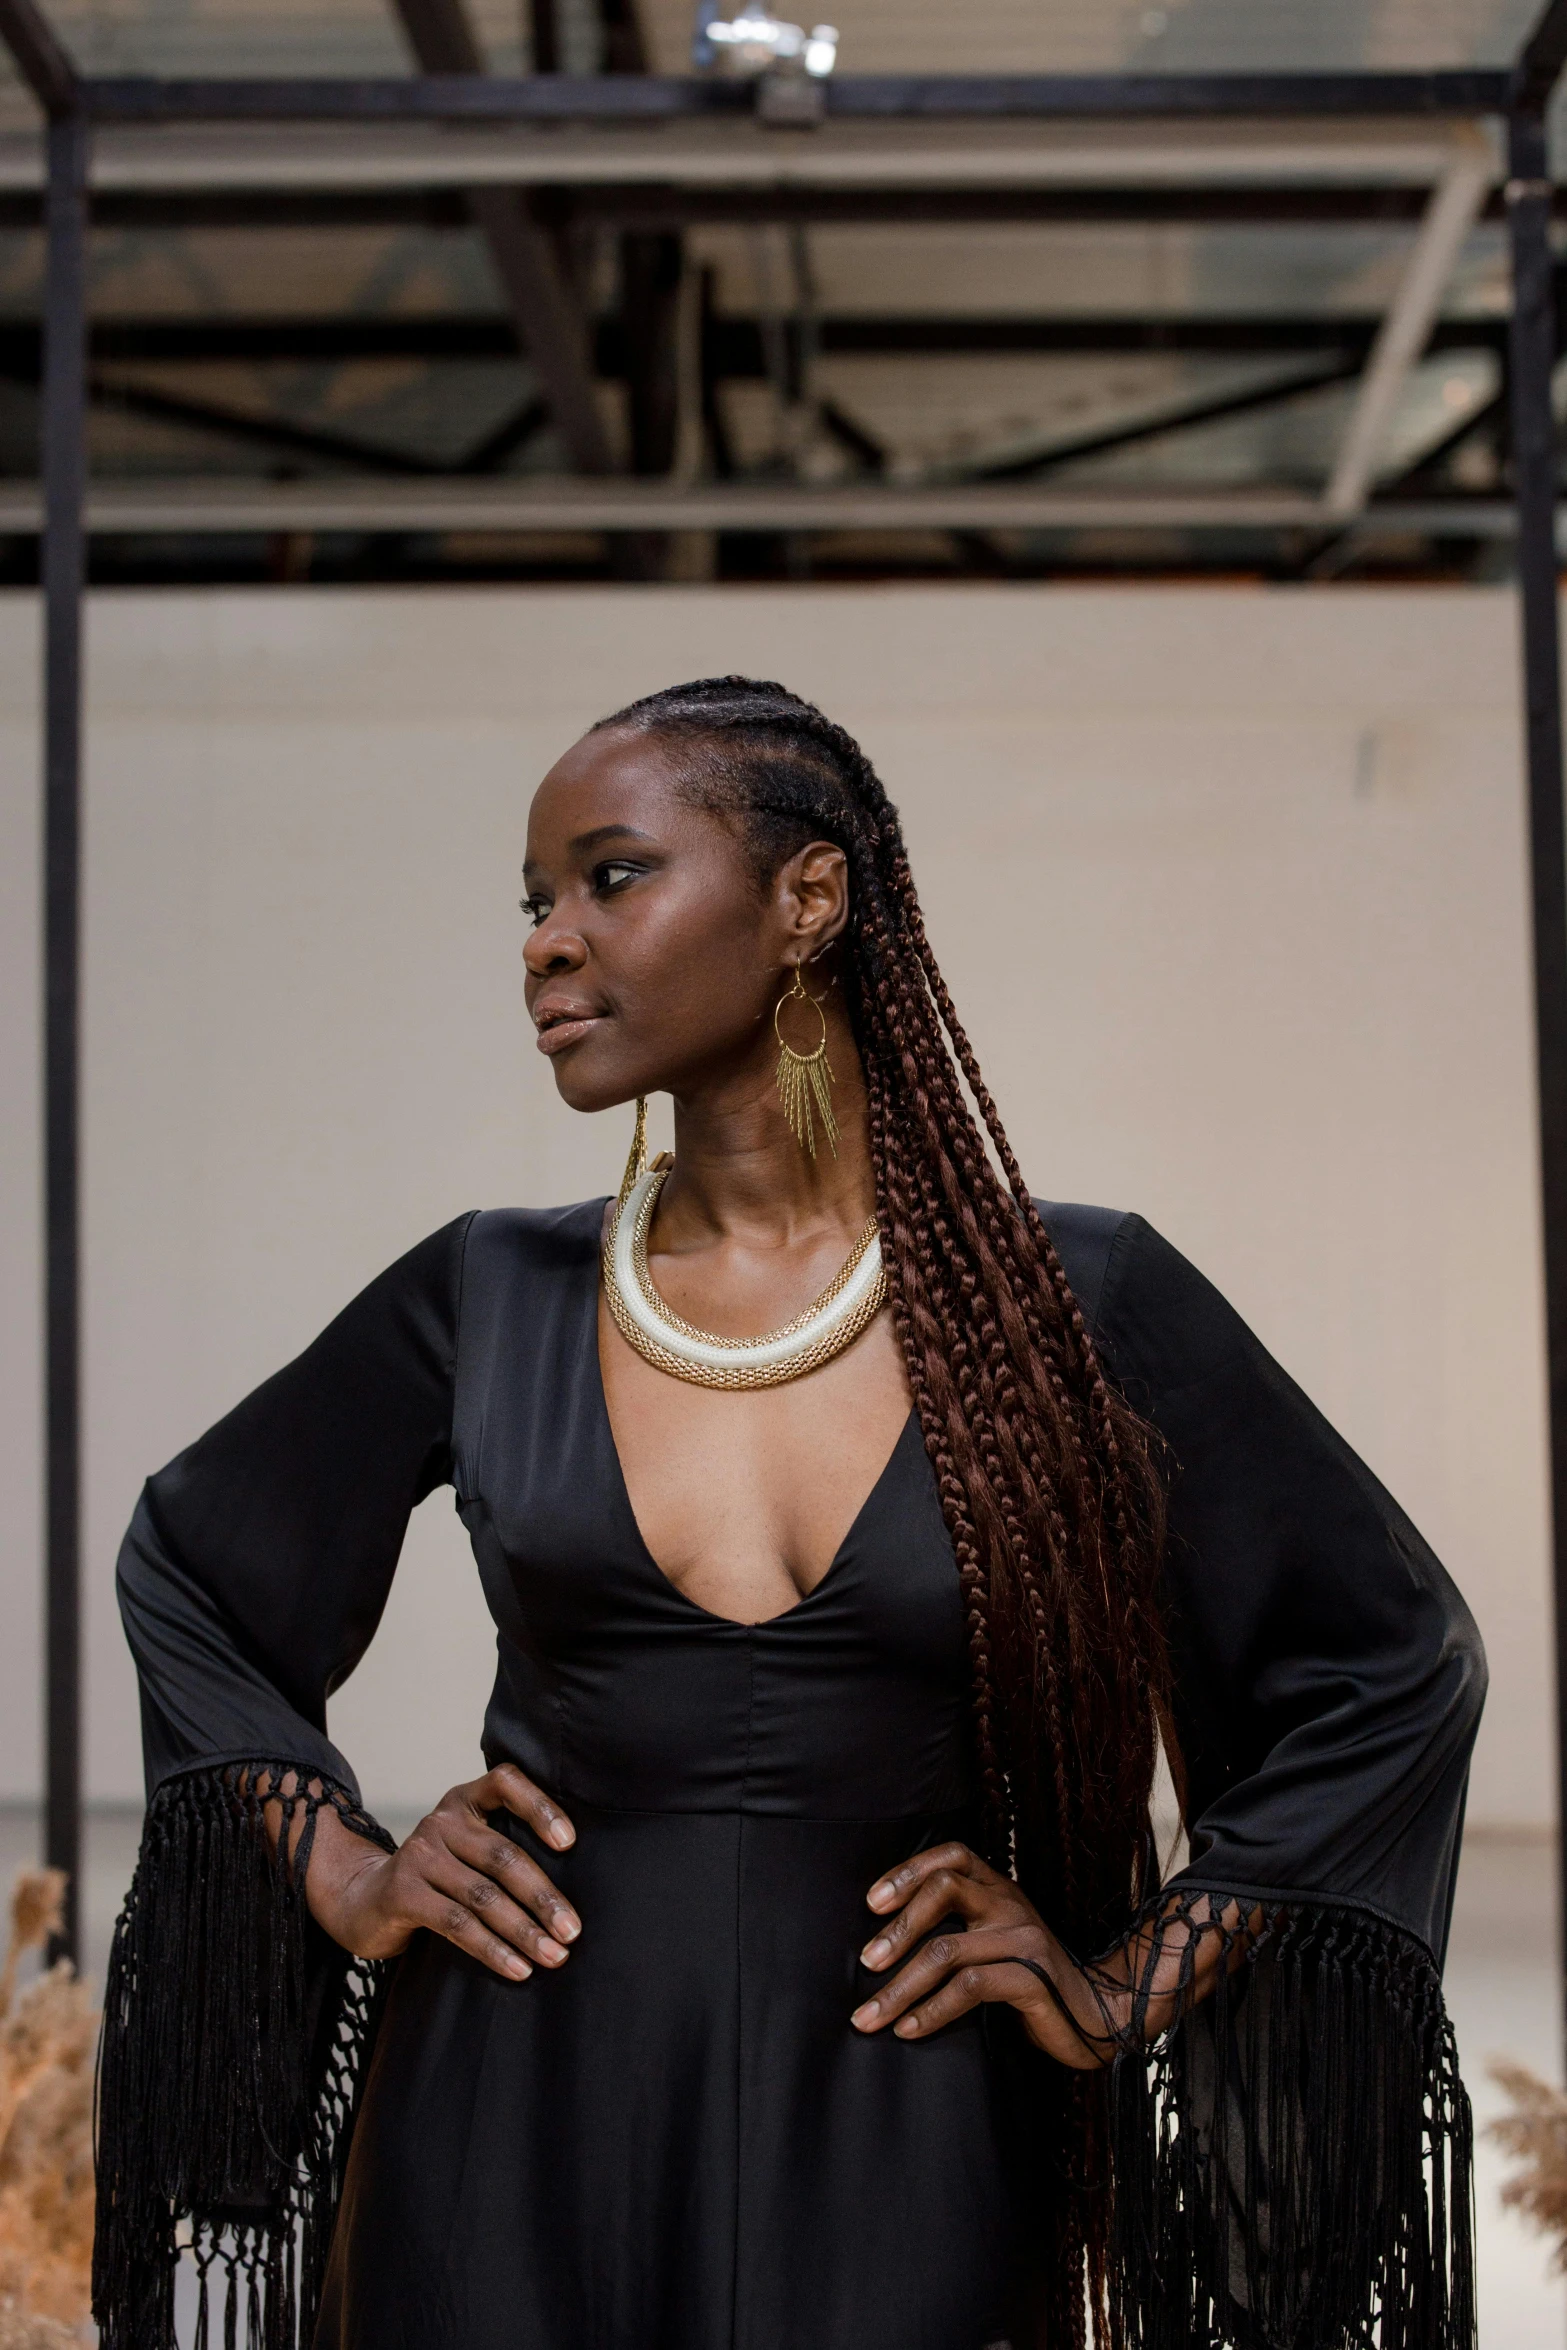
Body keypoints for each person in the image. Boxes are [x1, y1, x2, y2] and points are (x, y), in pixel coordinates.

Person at [94, 677, 1485, 2350]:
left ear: (807, 899)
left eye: (610, 877)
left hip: (906, 2127)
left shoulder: (1072, 1300)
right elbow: (190, 1562)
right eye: (533, 901)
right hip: (504, 2116)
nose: (545, 940)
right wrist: (340, 1865)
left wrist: (1130, 1979)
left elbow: (1388, 1659)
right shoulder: (490, 1289)